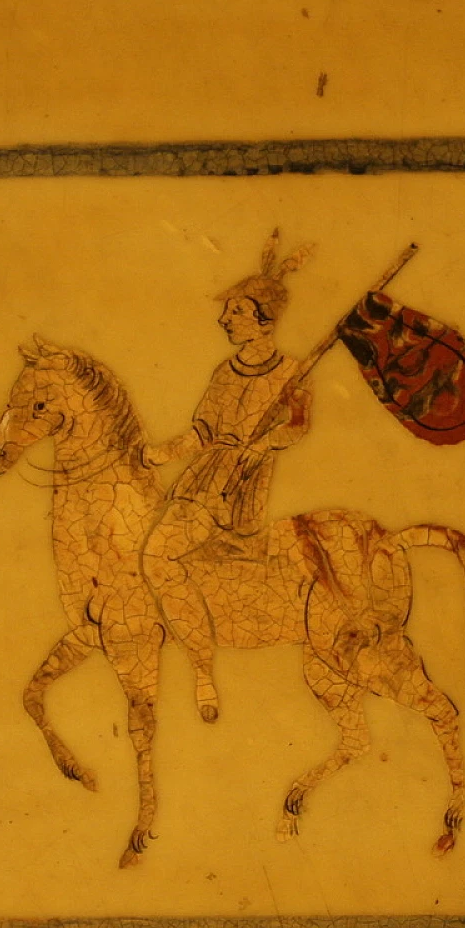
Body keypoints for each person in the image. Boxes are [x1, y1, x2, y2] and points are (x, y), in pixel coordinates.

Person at [141, 231, 315, 723]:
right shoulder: (224, 372)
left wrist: (262, 445)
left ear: (264, 319)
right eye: (228, 312)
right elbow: (202, 429)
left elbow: (298, 427)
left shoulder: (293, 373)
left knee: (157, 557)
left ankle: (201, 671)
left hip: (242, 485)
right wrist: (161, 453)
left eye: (236, 312)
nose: (224, 320)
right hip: (203, 477)